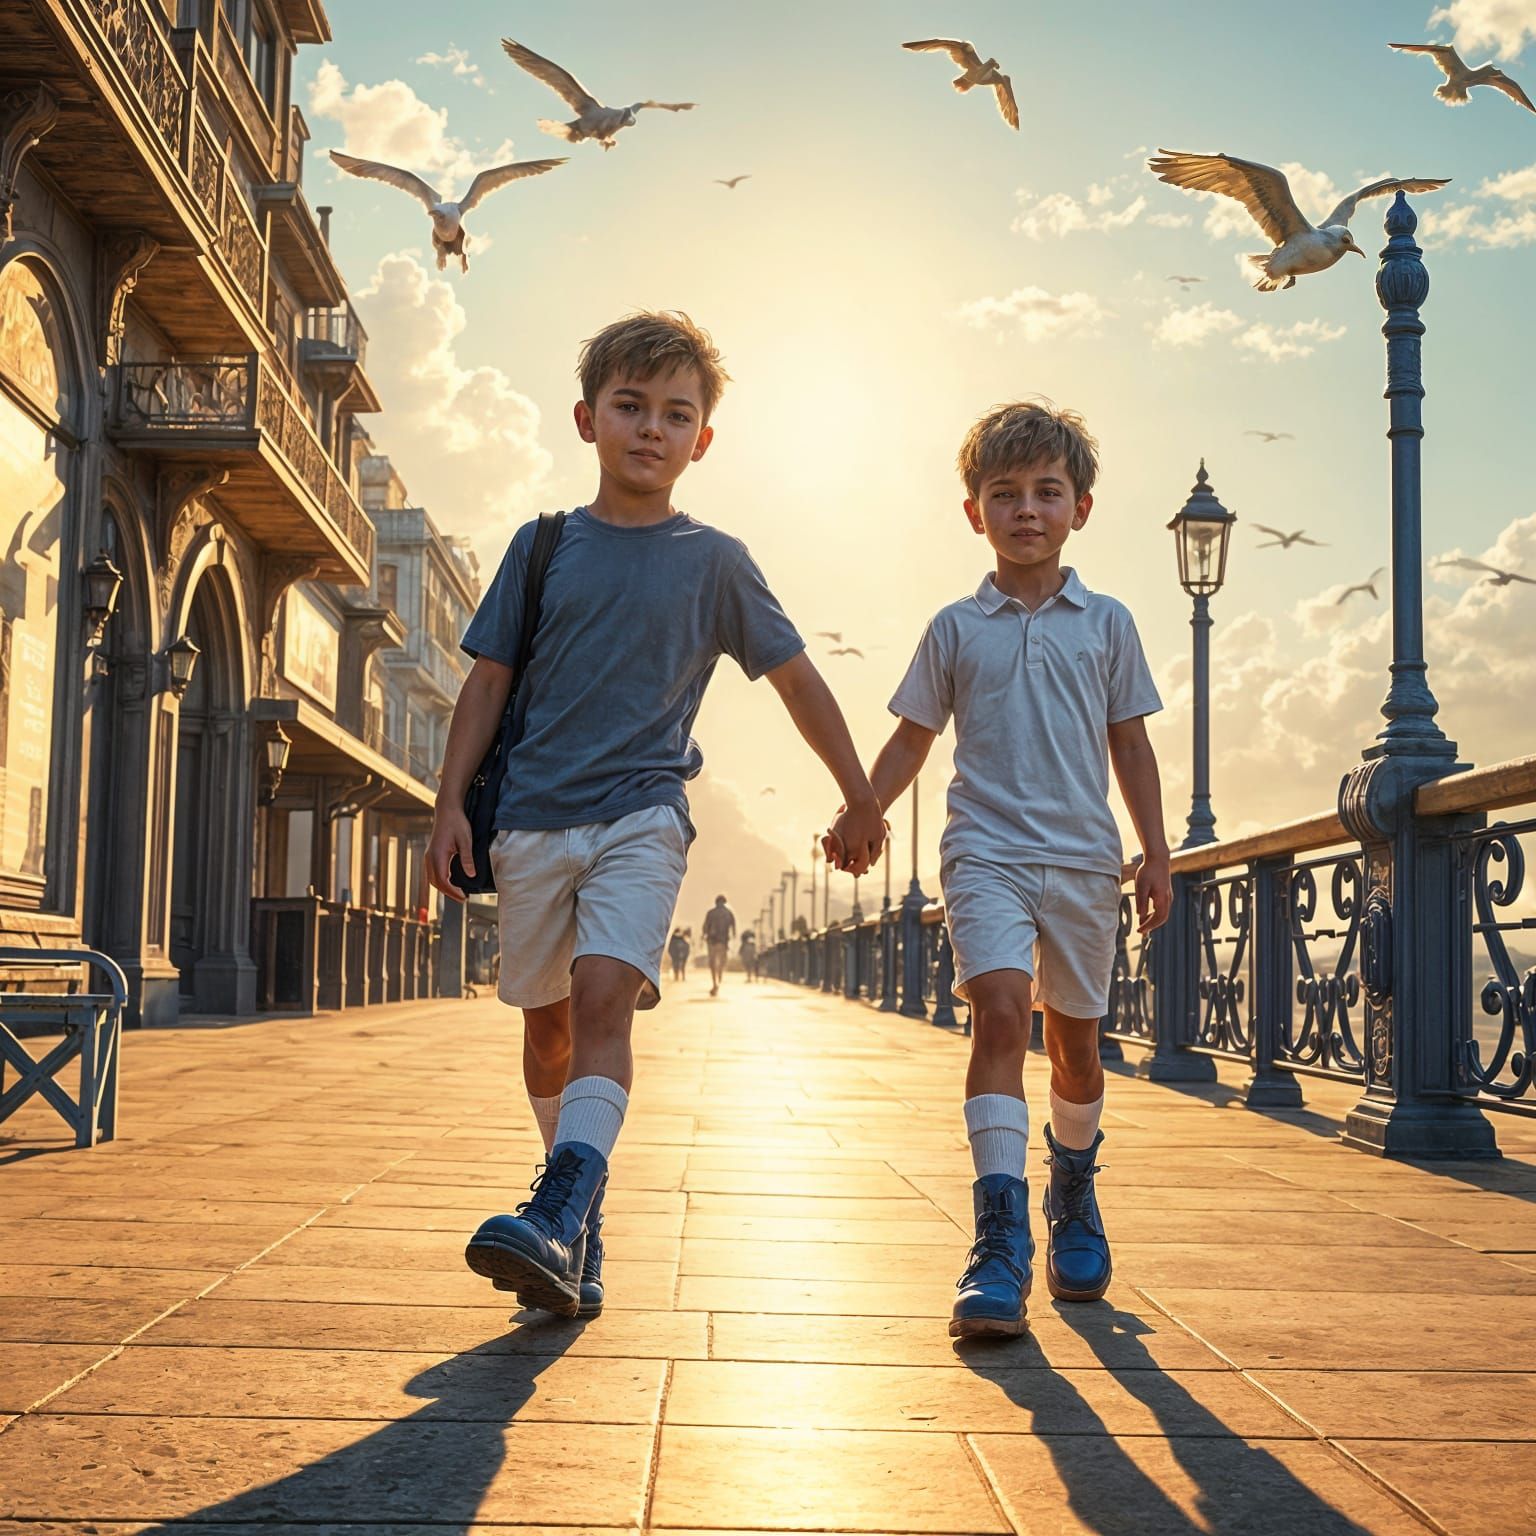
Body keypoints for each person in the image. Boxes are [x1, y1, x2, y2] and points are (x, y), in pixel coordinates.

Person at [427, 310, 885, 1320]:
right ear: (588, 419)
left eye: (677, 414)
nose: (652, 429)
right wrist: (447, 803)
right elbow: (487, 683)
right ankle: (576, 1222)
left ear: (703, 440)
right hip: (533, 821)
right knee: (546, 1027)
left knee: (600, 1001)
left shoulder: (716, 562)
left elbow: (799, 680)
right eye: (631, 407)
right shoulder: (542, 546)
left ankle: (553, 1213)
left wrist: (858, 788)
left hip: (644, 813)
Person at [831, 399, 1171, 1339]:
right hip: (983, 852)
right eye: (1005, 493)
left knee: (1076, 1047)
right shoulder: (955, 628)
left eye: (1047, 493)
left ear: (1082, 509)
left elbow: (1130, 748)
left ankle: (1072, 1189)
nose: (1027, 510)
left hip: (1085, 859)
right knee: (1001, 1015)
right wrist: (863, 804)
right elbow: (912, 739)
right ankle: (997, 1239)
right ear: (974, 511)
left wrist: (1156, 853)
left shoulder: (1106, 624)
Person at [702, 894, 736, 996]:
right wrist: (732, 937)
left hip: (712, 941)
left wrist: (703, 935)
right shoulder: (729, 913)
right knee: (722, 961)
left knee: (712, 963)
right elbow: (733, 928)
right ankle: (719, 976)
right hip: (723, 942)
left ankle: (715, 982)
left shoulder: (711, 913)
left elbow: (705, 927)